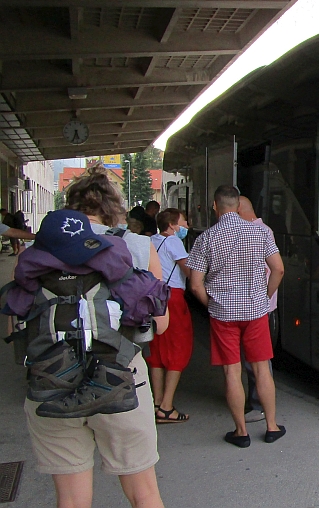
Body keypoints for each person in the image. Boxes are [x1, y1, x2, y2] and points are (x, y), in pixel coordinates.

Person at [24, 165, 169, 508]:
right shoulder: (135, 244)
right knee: (144, 493)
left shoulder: (42, 249)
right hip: (119, 378)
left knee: (71, 501)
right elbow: (159, 324)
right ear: (113, 208)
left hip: (53, 378)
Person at [188, 185, 285, 448]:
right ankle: (272, 426)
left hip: (223, 314)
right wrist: (264, 297)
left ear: (215, 206)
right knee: (261, 367)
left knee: (232, 372)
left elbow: (195, 284)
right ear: (237, 205)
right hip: (255, 311)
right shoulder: (259, 232)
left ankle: (241, 432)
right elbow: (278, 269)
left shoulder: (206, 238)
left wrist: (213, 305)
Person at [147, 208, 192, 424]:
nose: (186, 226)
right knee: (178, 348)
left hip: (153, 297)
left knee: (156, 349)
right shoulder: (173, 242)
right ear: (172, 225)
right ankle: (167, 406)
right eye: (183, 221)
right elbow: (189, 271)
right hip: (172, 298)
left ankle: (156, 403)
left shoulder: (151, 241)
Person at [237, 196, 279, 424]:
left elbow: (275, 270)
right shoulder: (259, 231)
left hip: (259, 309)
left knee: (257, 361)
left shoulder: (259, 232)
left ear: (241, 211)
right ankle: (257, 402)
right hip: (256, 307)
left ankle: (259, 405)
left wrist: (264, 297)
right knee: (254, 359)